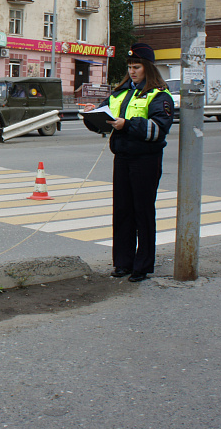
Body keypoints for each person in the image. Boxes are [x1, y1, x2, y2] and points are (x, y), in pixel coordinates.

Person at [83, 42, 173, 283]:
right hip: (122, 157)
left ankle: (142, 266)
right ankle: (123, 263)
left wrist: (128, 125)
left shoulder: (159, 96)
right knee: (122, 211)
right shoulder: (120, 92)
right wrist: (91, 115)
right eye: (130, 67)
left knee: (142, 212)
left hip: (146, 159)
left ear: (148, 69)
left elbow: (158, 130)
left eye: (137, 67)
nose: (132, 71)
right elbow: (104, 118)